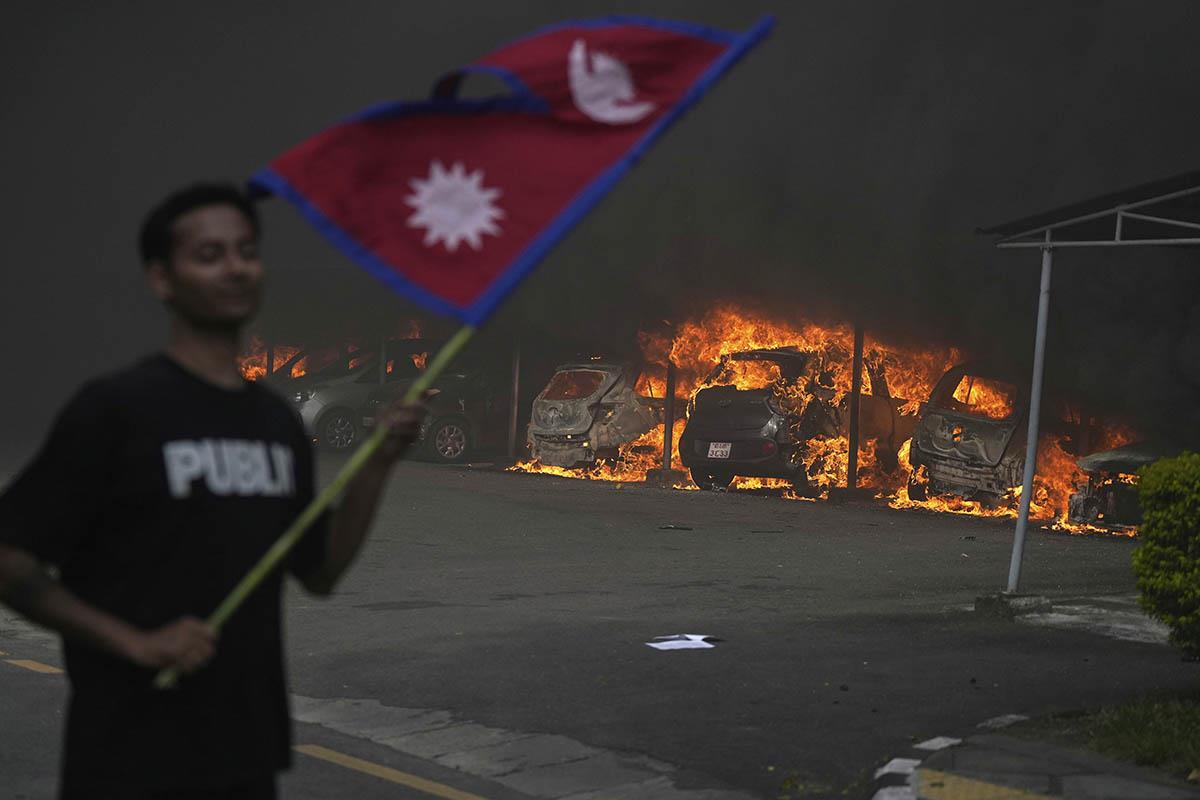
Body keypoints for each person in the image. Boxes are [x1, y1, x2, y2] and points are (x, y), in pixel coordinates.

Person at [0, 183, 428, 798]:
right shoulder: (116, 409)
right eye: (209, 254)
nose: (235, 267)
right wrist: (135, 644)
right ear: (161, 279)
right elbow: (10, 558)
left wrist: (381, 460)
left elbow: (322, 570)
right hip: (128, 755)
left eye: (247, 251)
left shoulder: (275, 424)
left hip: (244, 754)